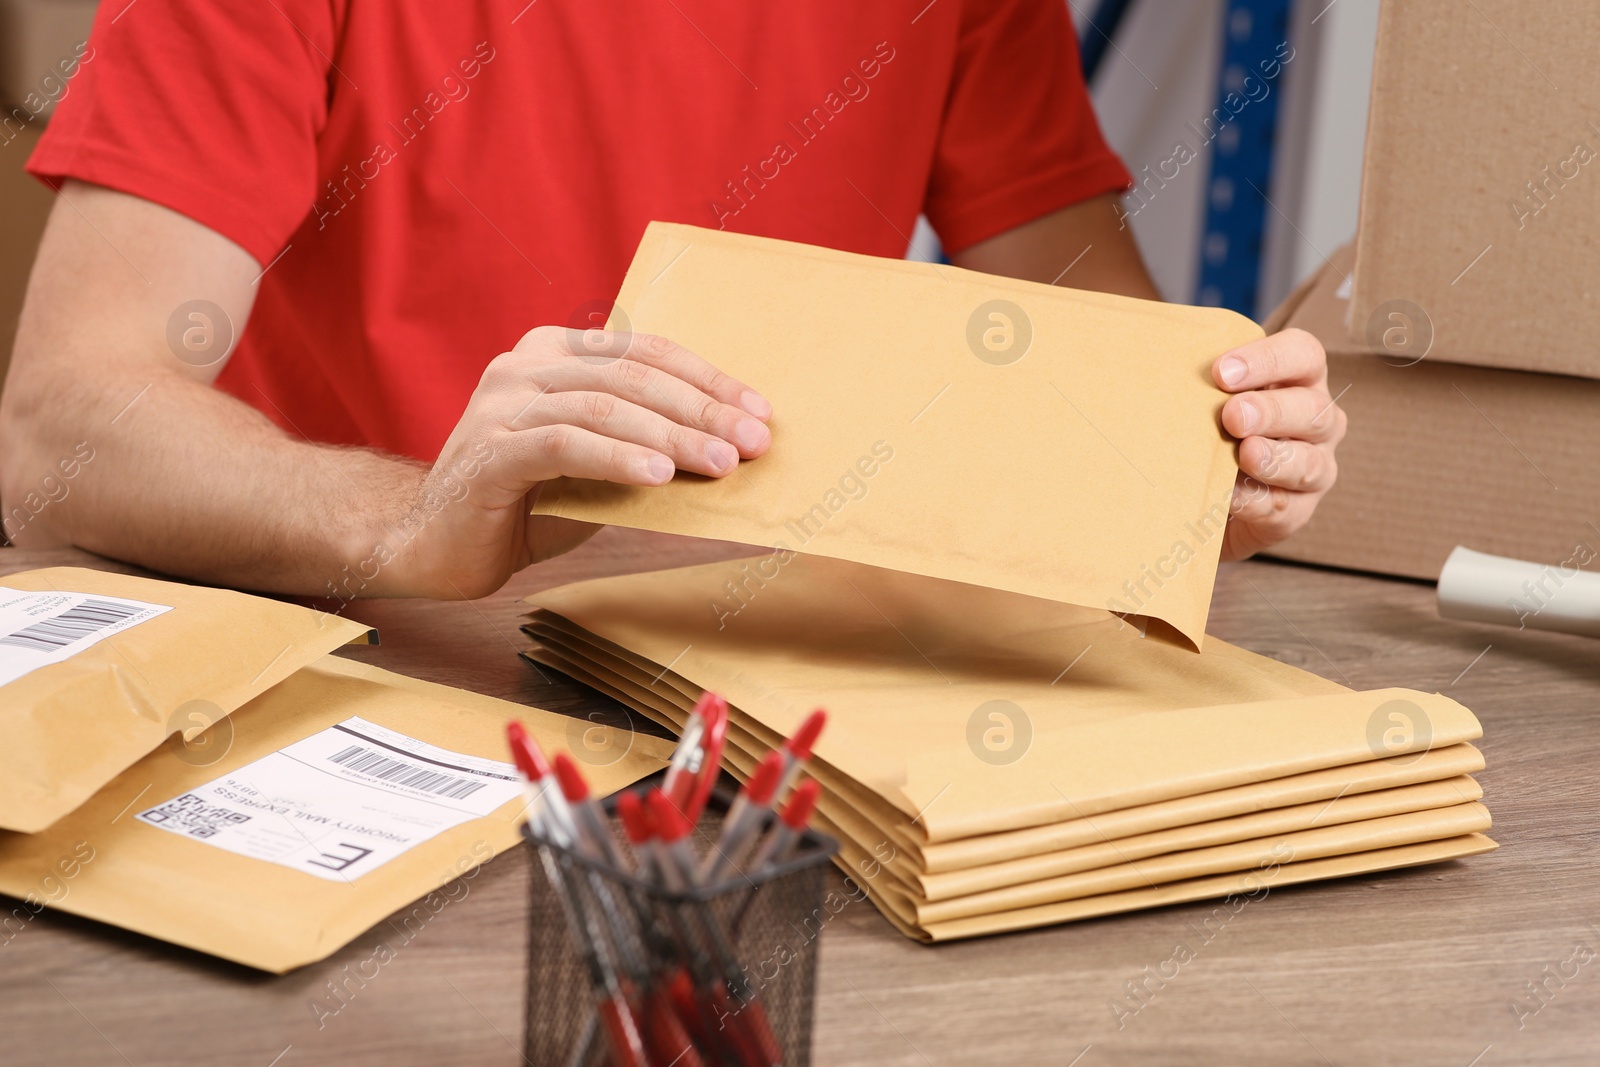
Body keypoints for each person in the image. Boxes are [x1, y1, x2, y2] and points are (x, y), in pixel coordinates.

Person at [0, 0, 1343, 601]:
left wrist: (1212, 460)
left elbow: (1096, 385)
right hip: (363, 664)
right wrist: (407, 520)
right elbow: (59, 432)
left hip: (757, 704)